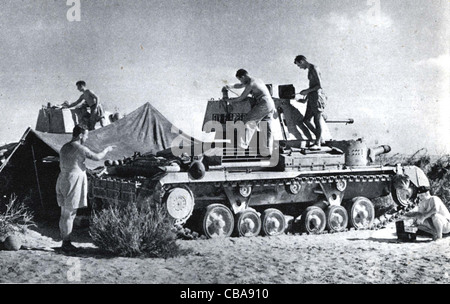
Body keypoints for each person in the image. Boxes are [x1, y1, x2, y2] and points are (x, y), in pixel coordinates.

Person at [56, 124, 114, 253]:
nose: (87, 137)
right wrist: (107, 149)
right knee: (70, 214)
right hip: (73, 181)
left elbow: (71, 163)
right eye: (86, 135)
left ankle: (64, 241)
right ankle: (66, 244)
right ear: (81, 135)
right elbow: (98, 157)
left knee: (64, 213)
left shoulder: (65, 147)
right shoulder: (80, 148)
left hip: (63, 179)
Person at [223, 69, 275, 156]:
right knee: (266, 128)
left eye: (240, 79)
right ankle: (268, 151)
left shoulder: (251, 83)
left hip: (263, 104)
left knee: (248, 122)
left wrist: (230, 101)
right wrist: (229, 86)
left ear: (243, 76)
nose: (240, 81)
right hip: (270, 104)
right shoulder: (256, 80)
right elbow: (240, 85)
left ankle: (242, 147)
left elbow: (242, 97)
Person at [294, 55, 327, 150]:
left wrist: (306, 91)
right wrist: (305, 99)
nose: (300, 67)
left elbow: (319, 86)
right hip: (312, 97)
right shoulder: (310, 69)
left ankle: (317, 143)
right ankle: (319, 138)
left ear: (302, 61)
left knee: (317, 120)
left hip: (317, 97)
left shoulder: (314, 68)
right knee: (306, 120)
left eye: (299, 65)